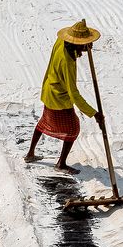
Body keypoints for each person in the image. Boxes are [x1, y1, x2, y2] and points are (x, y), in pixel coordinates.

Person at [25, 19, 105, 171]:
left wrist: (83, 48)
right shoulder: (67, 62)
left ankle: (30, 154)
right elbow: (73, 94)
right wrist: (94, 114)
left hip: (49, 89)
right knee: (73, 129)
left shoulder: (61, 42)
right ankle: (60, 164)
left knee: (44, 122)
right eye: (84, 44)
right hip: (58, 98)